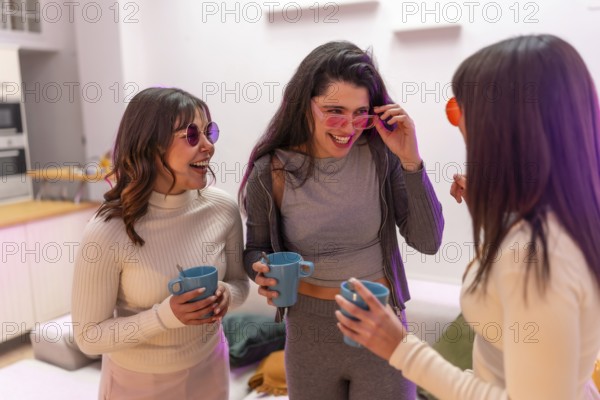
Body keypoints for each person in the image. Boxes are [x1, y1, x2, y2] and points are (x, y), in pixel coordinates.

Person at [335, 34, 600, 400]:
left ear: (508, 128)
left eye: (465, 114)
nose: (460, 126)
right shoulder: (568, 221)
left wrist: (400, 346)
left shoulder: (535, 255)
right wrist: (500, 218)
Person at [239, 41, 444, 399]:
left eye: (360, 113)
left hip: (381, 325)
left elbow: (428, 242)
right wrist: (263, 269)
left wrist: (411, 160)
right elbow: (255, 249)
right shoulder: (270, 171)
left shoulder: (382, 155)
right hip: (308, 333)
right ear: (305, 105)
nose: (348, 127)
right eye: (335, 111)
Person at [72, 87, 249, 400]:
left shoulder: (223, 209)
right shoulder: (107, 231)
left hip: (211, 365)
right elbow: (88, 337)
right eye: (192, 135)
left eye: (209, 132)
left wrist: (226, 295)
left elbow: (238, 283)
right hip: (138, 383)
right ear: (151, 146)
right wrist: (165, 316)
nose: (209, 147)